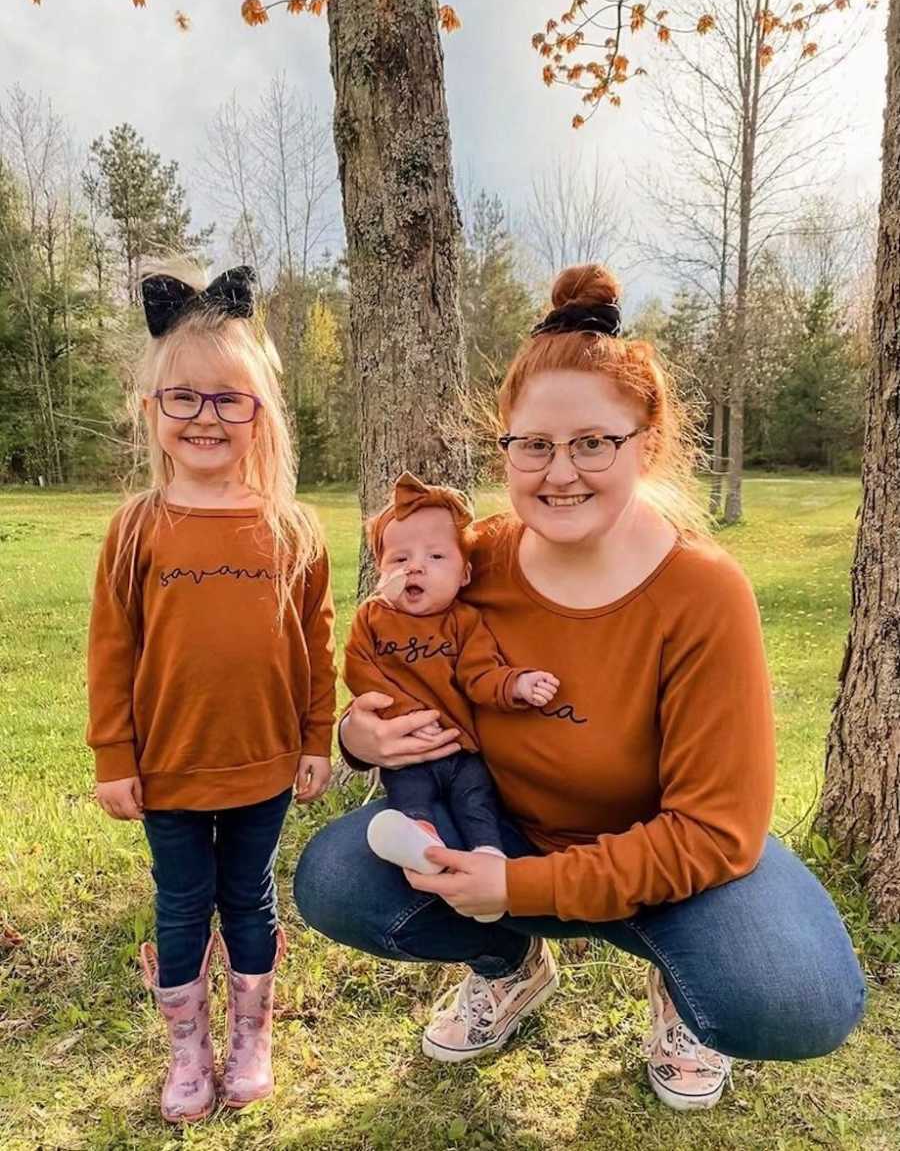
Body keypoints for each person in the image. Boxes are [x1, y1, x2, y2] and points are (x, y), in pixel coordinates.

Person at [294, 263, 865, 1112]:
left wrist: (516, 890)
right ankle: (509, 963)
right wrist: (357, 735)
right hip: (506, 830)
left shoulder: (703, 592)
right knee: (337, 874)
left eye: (593, 442)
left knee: (793, 997)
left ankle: (681, 982)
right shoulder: (471, 561)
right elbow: (391, 661)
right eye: (534, 445)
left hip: (674, 863)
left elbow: (713, 831)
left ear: (648, 440)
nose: (560, 473)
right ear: (508, 448)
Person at [86, 262, 337, 1123]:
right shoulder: (135, 529)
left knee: (251, 894)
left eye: (228, 399)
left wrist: (314, 740)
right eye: (183, 399)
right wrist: (114, 755)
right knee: (183, 898)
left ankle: (250, 1034)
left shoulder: (291, 527)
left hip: (264, 763)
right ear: (151, 411)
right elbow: (112, 651)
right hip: (169, 767)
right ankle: (187, 1046)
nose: (205, 417)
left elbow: (317, 647)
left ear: (259, 413)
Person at [344, 470, 559, 921]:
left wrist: (516, 685)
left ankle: (489, 856)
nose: (414, 567)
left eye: (435, 556)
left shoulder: (464, 622)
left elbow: (481, 675)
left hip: (462, 749)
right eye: (398, 558)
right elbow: (360, 668)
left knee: (476, 800)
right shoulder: (373, 619)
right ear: (380, 572)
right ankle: (420, 841)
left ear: (464, 574)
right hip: (410, 753)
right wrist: (392, 716)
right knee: (409, 796)